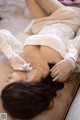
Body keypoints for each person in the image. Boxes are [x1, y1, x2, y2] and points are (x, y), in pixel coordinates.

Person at [1, 0, 80, 119]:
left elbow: (2, 34)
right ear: (22, 87)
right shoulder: (57, 73)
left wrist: (11, 55)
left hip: (40, 23)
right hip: (66, 18)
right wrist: (71, 60)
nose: (7, 78)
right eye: (9, 81)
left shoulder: (21, 61)